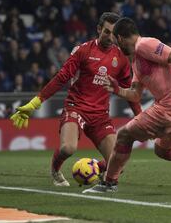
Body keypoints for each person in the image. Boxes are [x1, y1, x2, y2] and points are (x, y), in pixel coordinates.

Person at [84, 17, 171, 194]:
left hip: (170, 109)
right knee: (162, 149)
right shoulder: (136, 61)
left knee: (124, 135)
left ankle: (109, 183)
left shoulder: (145, 44)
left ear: (121, 38)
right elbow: (135, 95)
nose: (116, 46)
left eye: (116, 41)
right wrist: (117, 89)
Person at [10, 12, 142, 186]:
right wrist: (34, 103)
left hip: (100, 116)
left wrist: (140, 118)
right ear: (98, 29)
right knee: (68, 148)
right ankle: (55, 170)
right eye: (106, 32)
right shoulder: (83, 50)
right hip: (76, 107)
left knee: (118, 162)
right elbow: (61, 77)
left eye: (113, 34)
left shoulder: (122, 59)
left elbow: (128, 92)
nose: (110, 37)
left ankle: (94, 167)